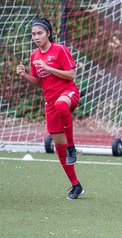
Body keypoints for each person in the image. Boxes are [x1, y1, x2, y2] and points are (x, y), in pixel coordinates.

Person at [16, 17, 84, 199]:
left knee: (61, 104)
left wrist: (48, 67)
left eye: (39, 33)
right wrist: (25, 75)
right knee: (58, 145)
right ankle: (76, 185)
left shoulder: (60, 50)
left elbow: (71, 75)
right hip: (50, 101)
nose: (36, 37)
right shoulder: (34, 56)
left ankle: (72, 147)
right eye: (33, 34)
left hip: (68, 93)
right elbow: (39, 82)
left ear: (48, 34)